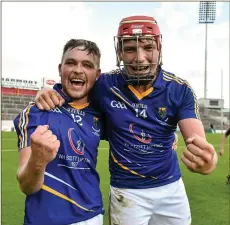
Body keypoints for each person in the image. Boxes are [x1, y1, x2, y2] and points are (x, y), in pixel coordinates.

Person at [34, 16, 218, 225]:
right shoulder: (104, 85)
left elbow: (197, 141)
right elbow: (72, 89)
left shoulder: (179, 89)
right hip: (127, 191)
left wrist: (208, 160)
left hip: (171, 189)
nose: (139, 57)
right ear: (119, 52)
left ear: (159, 48)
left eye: (148, 47)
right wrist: (46, 90)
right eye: (130, 49)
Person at [13, 39, 104, 225]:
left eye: (87, 65)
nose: (78, 70)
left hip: (92, 215)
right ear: (60, 69)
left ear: (97, 75)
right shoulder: (36, 112)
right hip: (45, 220)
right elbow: (26, 186)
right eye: (71, 63)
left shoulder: (102, 113)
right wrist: (38, 160)